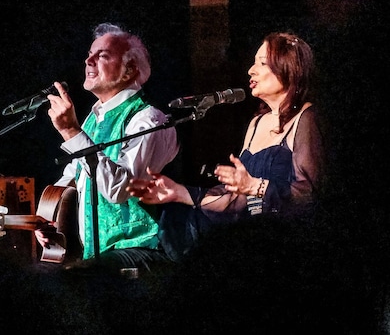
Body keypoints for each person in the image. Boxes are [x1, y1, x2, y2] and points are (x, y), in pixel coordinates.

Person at [127, 32, 324, 261]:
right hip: (252, 244)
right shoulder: (256, 123)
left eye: (262, 63)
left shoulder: (306, 118)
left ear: (288, 67)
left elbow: (308, 195)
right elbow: (236, 201)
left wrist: (254, 186)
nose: (251, 70)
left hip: (287, 249)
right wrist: (178, 192)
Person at [35, 22, 180, 275]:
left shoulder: (148, 119)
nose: (88, 60)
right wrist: (48, 217)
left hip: (142, 249)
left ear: (129, 70)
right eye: (90, 54)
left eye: (102, 55)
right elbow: (74, 176)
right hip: (100, 255)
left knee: (80, 279)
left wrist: (72, 132)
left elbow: (120, 190)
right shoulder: (93, 119)